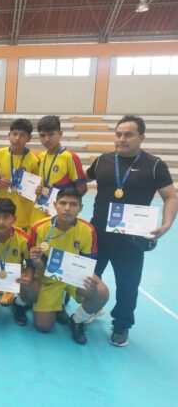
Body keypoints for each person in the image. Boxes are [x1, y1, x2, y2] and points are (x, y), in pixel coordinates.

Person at [86, 115, 177, 347]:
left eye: (128, 134)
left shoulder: (154, 165)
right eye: (118, 134)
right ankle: (91, 308)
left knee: (128, 284)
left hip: (132, 239)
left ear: (141, 137)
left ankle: (122, 325)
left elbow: (170, 197)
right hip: (98, 234)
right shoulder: (103, 160)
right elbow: (79, 183)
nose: (121, 139)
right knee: (85, 278)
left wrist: (166, 225)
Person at [29, 187, 109, 345]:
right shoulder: (39, 228)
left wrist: (92, 279)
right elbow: (34, 264)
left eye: (73, 204)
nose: (67, 208)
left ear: (80, 207)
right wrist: (37, 261)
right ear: (55, 204)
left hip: (74, 277)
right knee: (43, 327)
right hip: (48, 278)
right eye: (63, 203)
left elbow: (88, 262)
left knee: (101, 292)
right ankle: (56, 301)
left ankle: (77, 320)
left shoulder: (88, 230)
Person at [30, 115, 87, 225]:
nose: (46, 139)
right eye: (42, 135)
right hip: (39, 210)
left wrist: (64, 208)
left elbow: (82, 188)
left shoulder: (70, 157)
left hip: (59, 215)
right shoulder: (41, 156)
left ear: (60, 134)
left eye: (51, 134)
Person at [0, 118, 39, 232]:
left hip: (23, 212)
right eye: (15, 134)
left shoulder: (34, 160)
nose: (17, 138)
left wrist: (15, 184)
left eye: (22, 135)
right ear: (9, 135)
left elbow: (35, 188)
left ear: (29, 138)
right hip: (0, 209)